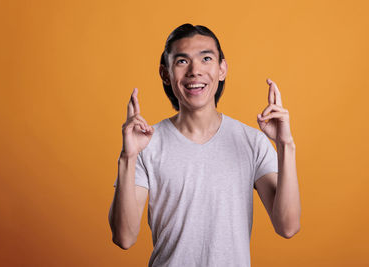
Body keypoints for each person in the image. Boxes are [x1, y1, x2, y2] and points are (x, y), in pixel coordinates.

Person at [108, 23, 301, 267]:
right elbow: (124, 237)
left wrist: (285, 145)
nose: (195, 71)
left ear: (222, 69)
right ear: (165, 74)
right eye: (181, 61)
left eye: (206, 58)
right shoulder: (145, 144)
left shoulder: (252, 142)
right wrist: (128, 156)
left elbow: (288, 226)